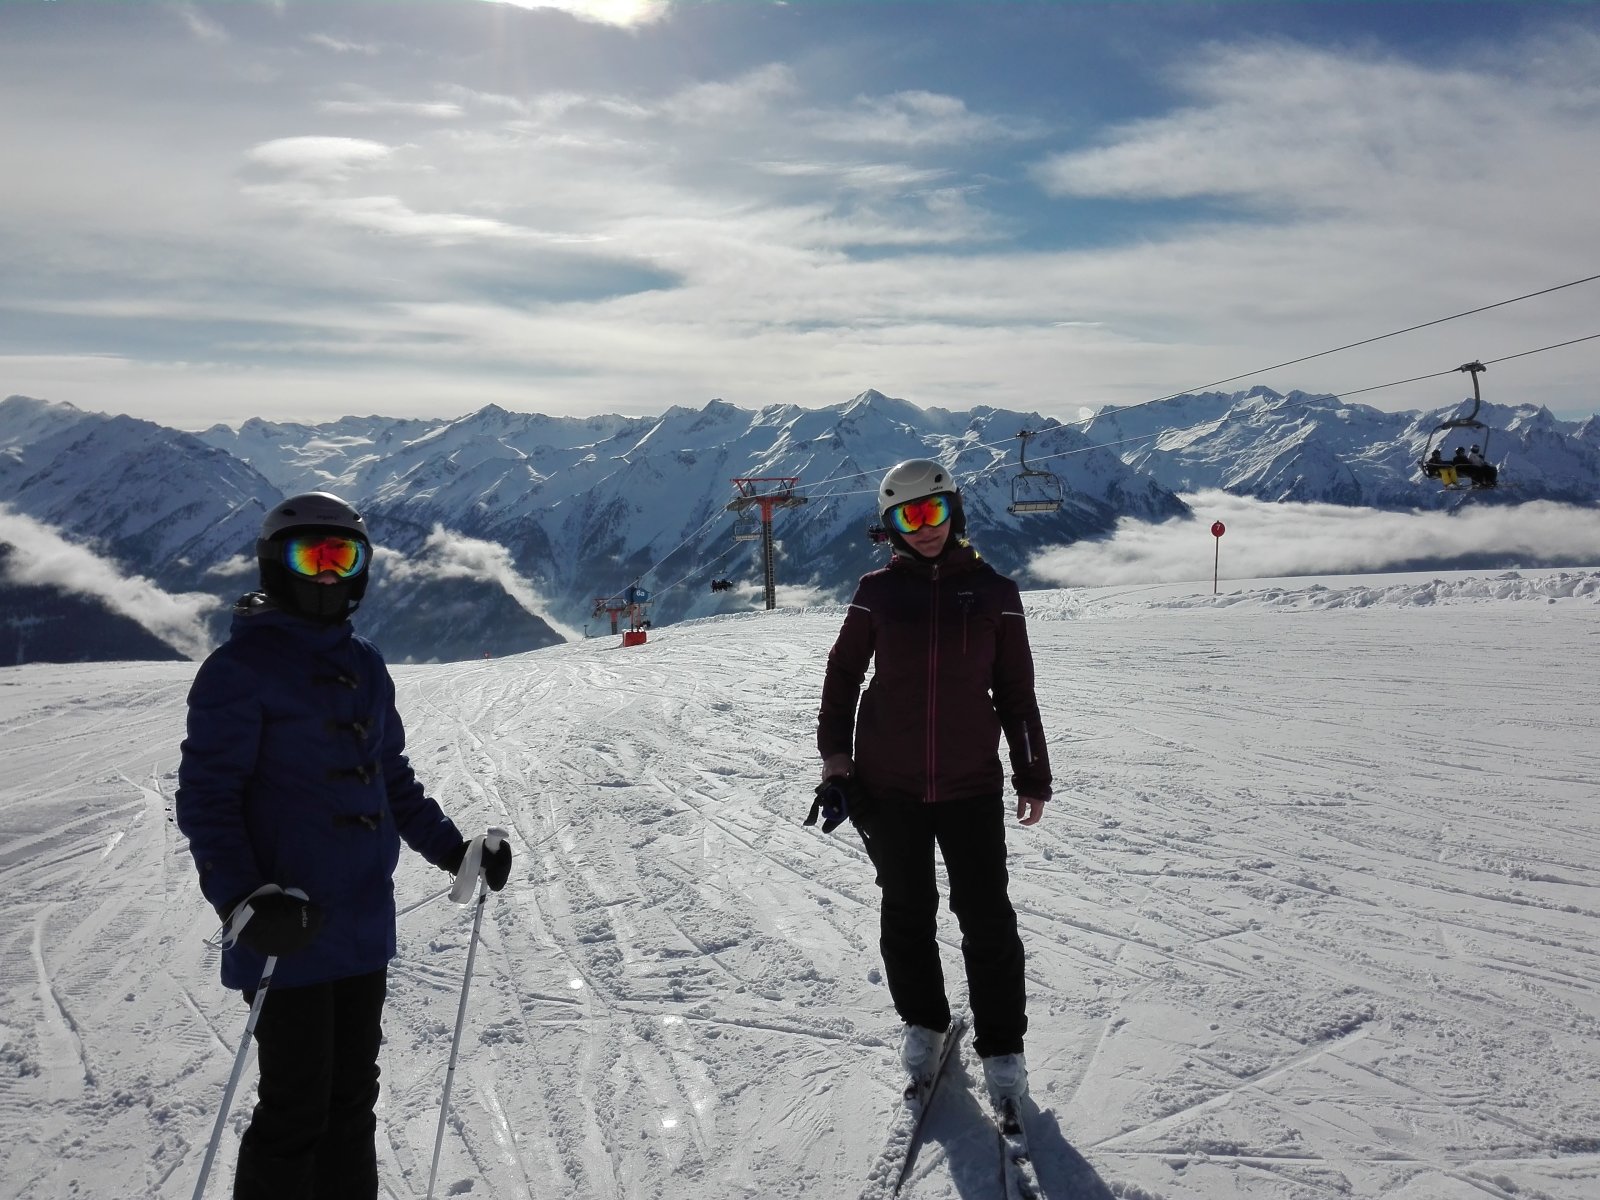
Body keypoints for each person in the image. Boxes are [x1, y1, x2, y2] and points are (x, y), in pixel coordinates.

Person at [176, 492, 513, 1200]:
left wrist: (454, 851)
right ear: (277, 564)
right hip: (283, 928)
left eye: (344, 556)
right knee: (297, 1107)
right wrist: (243, 898)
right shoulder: (239, 671)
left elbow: (390, 778)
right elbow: (208, 800)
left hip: (361, 926)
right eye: (312, 556)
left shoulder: (364, 664)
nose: (328, 574)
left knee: (351, 1100)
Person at [815, 459, 1052, 1111]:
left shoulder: (997, 593)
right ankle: (924, 1023)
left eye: (934, 512)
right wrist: (837, 762)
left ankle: (1004, 1049)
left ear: (955, 512)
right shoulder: (876, 594)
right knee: (906, 914)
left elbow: (1017, 695)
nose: (923, 529)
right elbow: (840, 683)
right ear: (891, 526)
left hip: (971, 786)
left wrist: (1033, 774)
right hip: (887, 788)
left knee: (987, 920)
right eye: (907, 517)